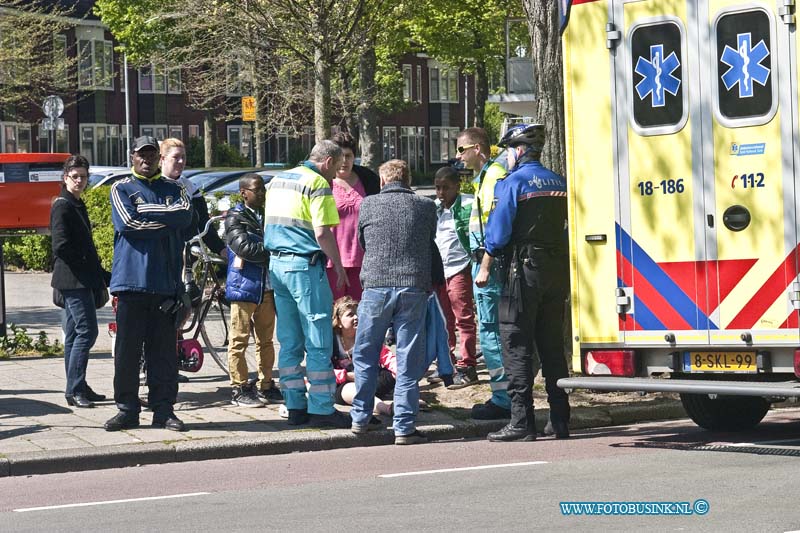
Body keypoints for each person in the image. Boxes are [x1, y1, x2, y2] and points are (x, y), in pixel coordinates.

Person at [476, 123, 570, 441]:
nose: (506, 157)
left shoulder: (512, 183)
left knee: (516, 342)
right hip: (557, 269)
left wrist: (486, 266)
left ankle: (521, 422)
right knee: (552, 345)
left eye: (507, 151)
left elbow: (498, 233)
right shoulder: (559, 181)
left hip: (523, 270)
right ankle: (560, 420)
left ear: (518, 150)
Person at [105, 136, 193, 432]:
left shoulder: (175, 188)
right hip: (130, 283)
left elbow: (185, 214)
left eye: (152, 154)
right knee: (127, 355)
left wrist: (145, 210)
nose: (147, 159)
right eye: (141, 154)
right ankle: (127, 410)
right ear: (132, 156)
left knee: (164, 355)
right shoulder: (121, 188)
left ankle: (164, 411)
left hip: (166, 284)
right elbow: (128, 225)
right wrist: (167, 221)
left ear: (158, 157)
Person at [350, 159, 437, 445]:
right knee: (408, 357)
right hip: (413, 285)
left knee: (365, 353)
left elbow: (363, 241)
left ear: (383, 181)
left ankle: (361, 418)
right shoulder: (426, 206)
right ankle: (404, 426)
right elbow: (428, 241)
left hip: (375, 285)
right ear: (408, 180)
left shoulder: (368, 204)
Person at [263, 140, 350, 428]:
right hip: (305, 265)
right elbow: (323, 232)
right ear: (327, 162)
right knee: (317, 337)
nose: (336, 174)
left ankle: (294, 405)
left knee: (288, 340)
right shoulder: (317, 183)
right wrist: (337, 265)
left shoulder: (278, 180)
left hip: (277, 265)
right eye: (336, 168)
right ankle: (322, 408)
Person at [456, 127, 513, 419]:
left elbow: (496, 227)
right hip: (488, 262)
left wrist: (485, 265)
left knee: (490, 330)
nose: (458, 157)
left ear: (477, 149)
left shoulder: (492, 177)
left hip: (488, 265)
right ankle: (507, 394)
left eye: (461, 150)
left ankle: (502, 398)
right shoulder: (486, 177)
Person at [50, 154, 110, 409]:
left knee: (75, 334)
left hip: (81, 279)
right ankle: (75, 389)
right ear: (65, 178)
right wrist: (90, 269)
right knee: (88, 331)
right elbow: (61, 246)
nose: (80, 181)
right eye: (75, 176)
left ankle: (77, 385)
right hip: (73, 280)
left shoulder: (76, 203)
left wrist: (101, 273)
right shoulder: (63, 204)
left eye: (83, 177)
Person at [224, 173, 281, 407]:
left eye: (263, 189)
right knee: (239, 340)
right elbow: (244, 247)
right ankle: (239, 387)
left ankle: (266, 384)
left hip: (267, 286)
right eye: (257, 190)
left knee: (266, 340)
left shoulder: (269, 215)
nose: (262, 194)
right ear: (243, 192)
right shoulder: (234, 216)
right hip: (244, 286)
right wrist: (274, 249)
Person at [433, 166, 478, 389]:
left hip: (459, 268)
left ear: (457, 186)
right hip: (440, 270)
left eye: (446, 188)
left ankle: (467, 364)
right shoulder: (434, 209)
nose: (441, 193)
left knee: (463, 318)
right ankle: (447, 362)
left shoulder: (468, 205)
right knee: (443, 320)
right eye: (437, 188)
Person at [326, 132, 380, 301]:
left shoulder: (368, 180)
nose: (344, 161)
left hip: (362, 259)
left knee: (359, 311)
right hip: (332, 261)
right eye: (340, 156)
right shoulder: (323, 182)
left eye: (348, 156)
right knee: (334, 312)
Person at [160, 138, 226, 257]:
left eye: (183, 157)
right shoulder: (154, 185)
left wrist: (221, 249)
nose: (181, 161)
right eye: (176, 157)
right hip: (162, 251)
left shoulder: (189, 186)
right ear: (163, 158)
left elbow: (204, 222)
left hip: (189, 252)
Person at [331, 296, 393, 421]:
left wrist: (405, 377)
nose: (356, 318)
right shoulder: (331, 342)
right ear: (338, 321)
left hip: (370, 380)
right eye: (350, 315)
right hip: (344, 385)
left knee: (394, 373)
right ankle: (386, 408)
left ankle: (406, 400)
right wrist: (346, 376)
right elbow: (324, 370)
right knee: (353, 389)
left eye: (358, 314)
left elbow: (387, 357)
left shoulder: (367, 337)